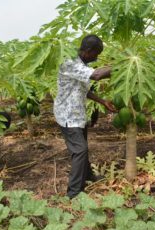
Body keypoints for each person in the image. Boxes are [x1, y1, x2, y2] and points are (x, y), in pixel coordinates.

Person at [54, 34, 116, 199]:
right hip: (67, 115)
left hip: (77, 113)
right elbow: (96, 75)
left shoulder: (81, 62)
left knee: (83, 146)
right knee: (80, 150)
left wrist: (102, 101)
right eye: (96, 54)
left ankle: (87, 176)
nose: (97, 58)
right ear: (88, 51)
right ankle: (73, 193)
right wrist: (123, 66)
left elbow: (83, 89)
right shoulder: (70, 62)